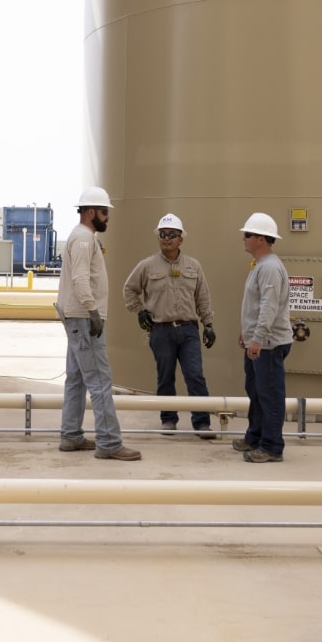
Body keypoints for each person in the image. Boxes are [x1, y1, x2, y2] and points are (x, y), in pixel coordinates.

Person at [56, 187, 141, 461]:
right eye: (104, 212)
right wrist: (92, 310)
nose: (108, 217)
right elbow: (81, 278)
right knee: (101, 381)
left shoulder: (82, 236)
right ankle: (109, 441)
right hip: (84, 318)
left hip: (76, 317)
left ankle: (71, 435)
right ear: (90, 211)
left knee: (77, 379)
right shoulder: (83, 238)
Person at [122, 213, 218, 438]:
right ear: (158, 238)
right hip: (161, 330)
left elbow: (203, 297)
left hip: (189, 330)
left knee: (195, 375)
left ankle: (202, 423)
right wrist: (139, 310)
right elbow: (129, 289)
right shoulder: (147, 265)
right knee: (165, 377)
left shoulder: (193, 266)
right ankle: (168, 420)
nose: (167, 239)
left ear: (181, 239)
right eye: (163, 235)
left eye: (172, 235)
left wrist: (208, 324)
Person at [235, 212, 292, 462]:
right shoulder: (260, 265)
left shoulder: (269, 268)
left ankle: (271, 447)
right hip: (259, 341)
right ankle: (255, 437)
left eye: (247, 235)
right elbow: (256, 305)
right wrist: (247, 334)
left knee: (269, 395)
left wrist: (257, 338)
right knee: (257, 393)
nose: (243, 239)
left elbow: (269, 307)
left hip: (268, 344)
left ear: (260, 239)